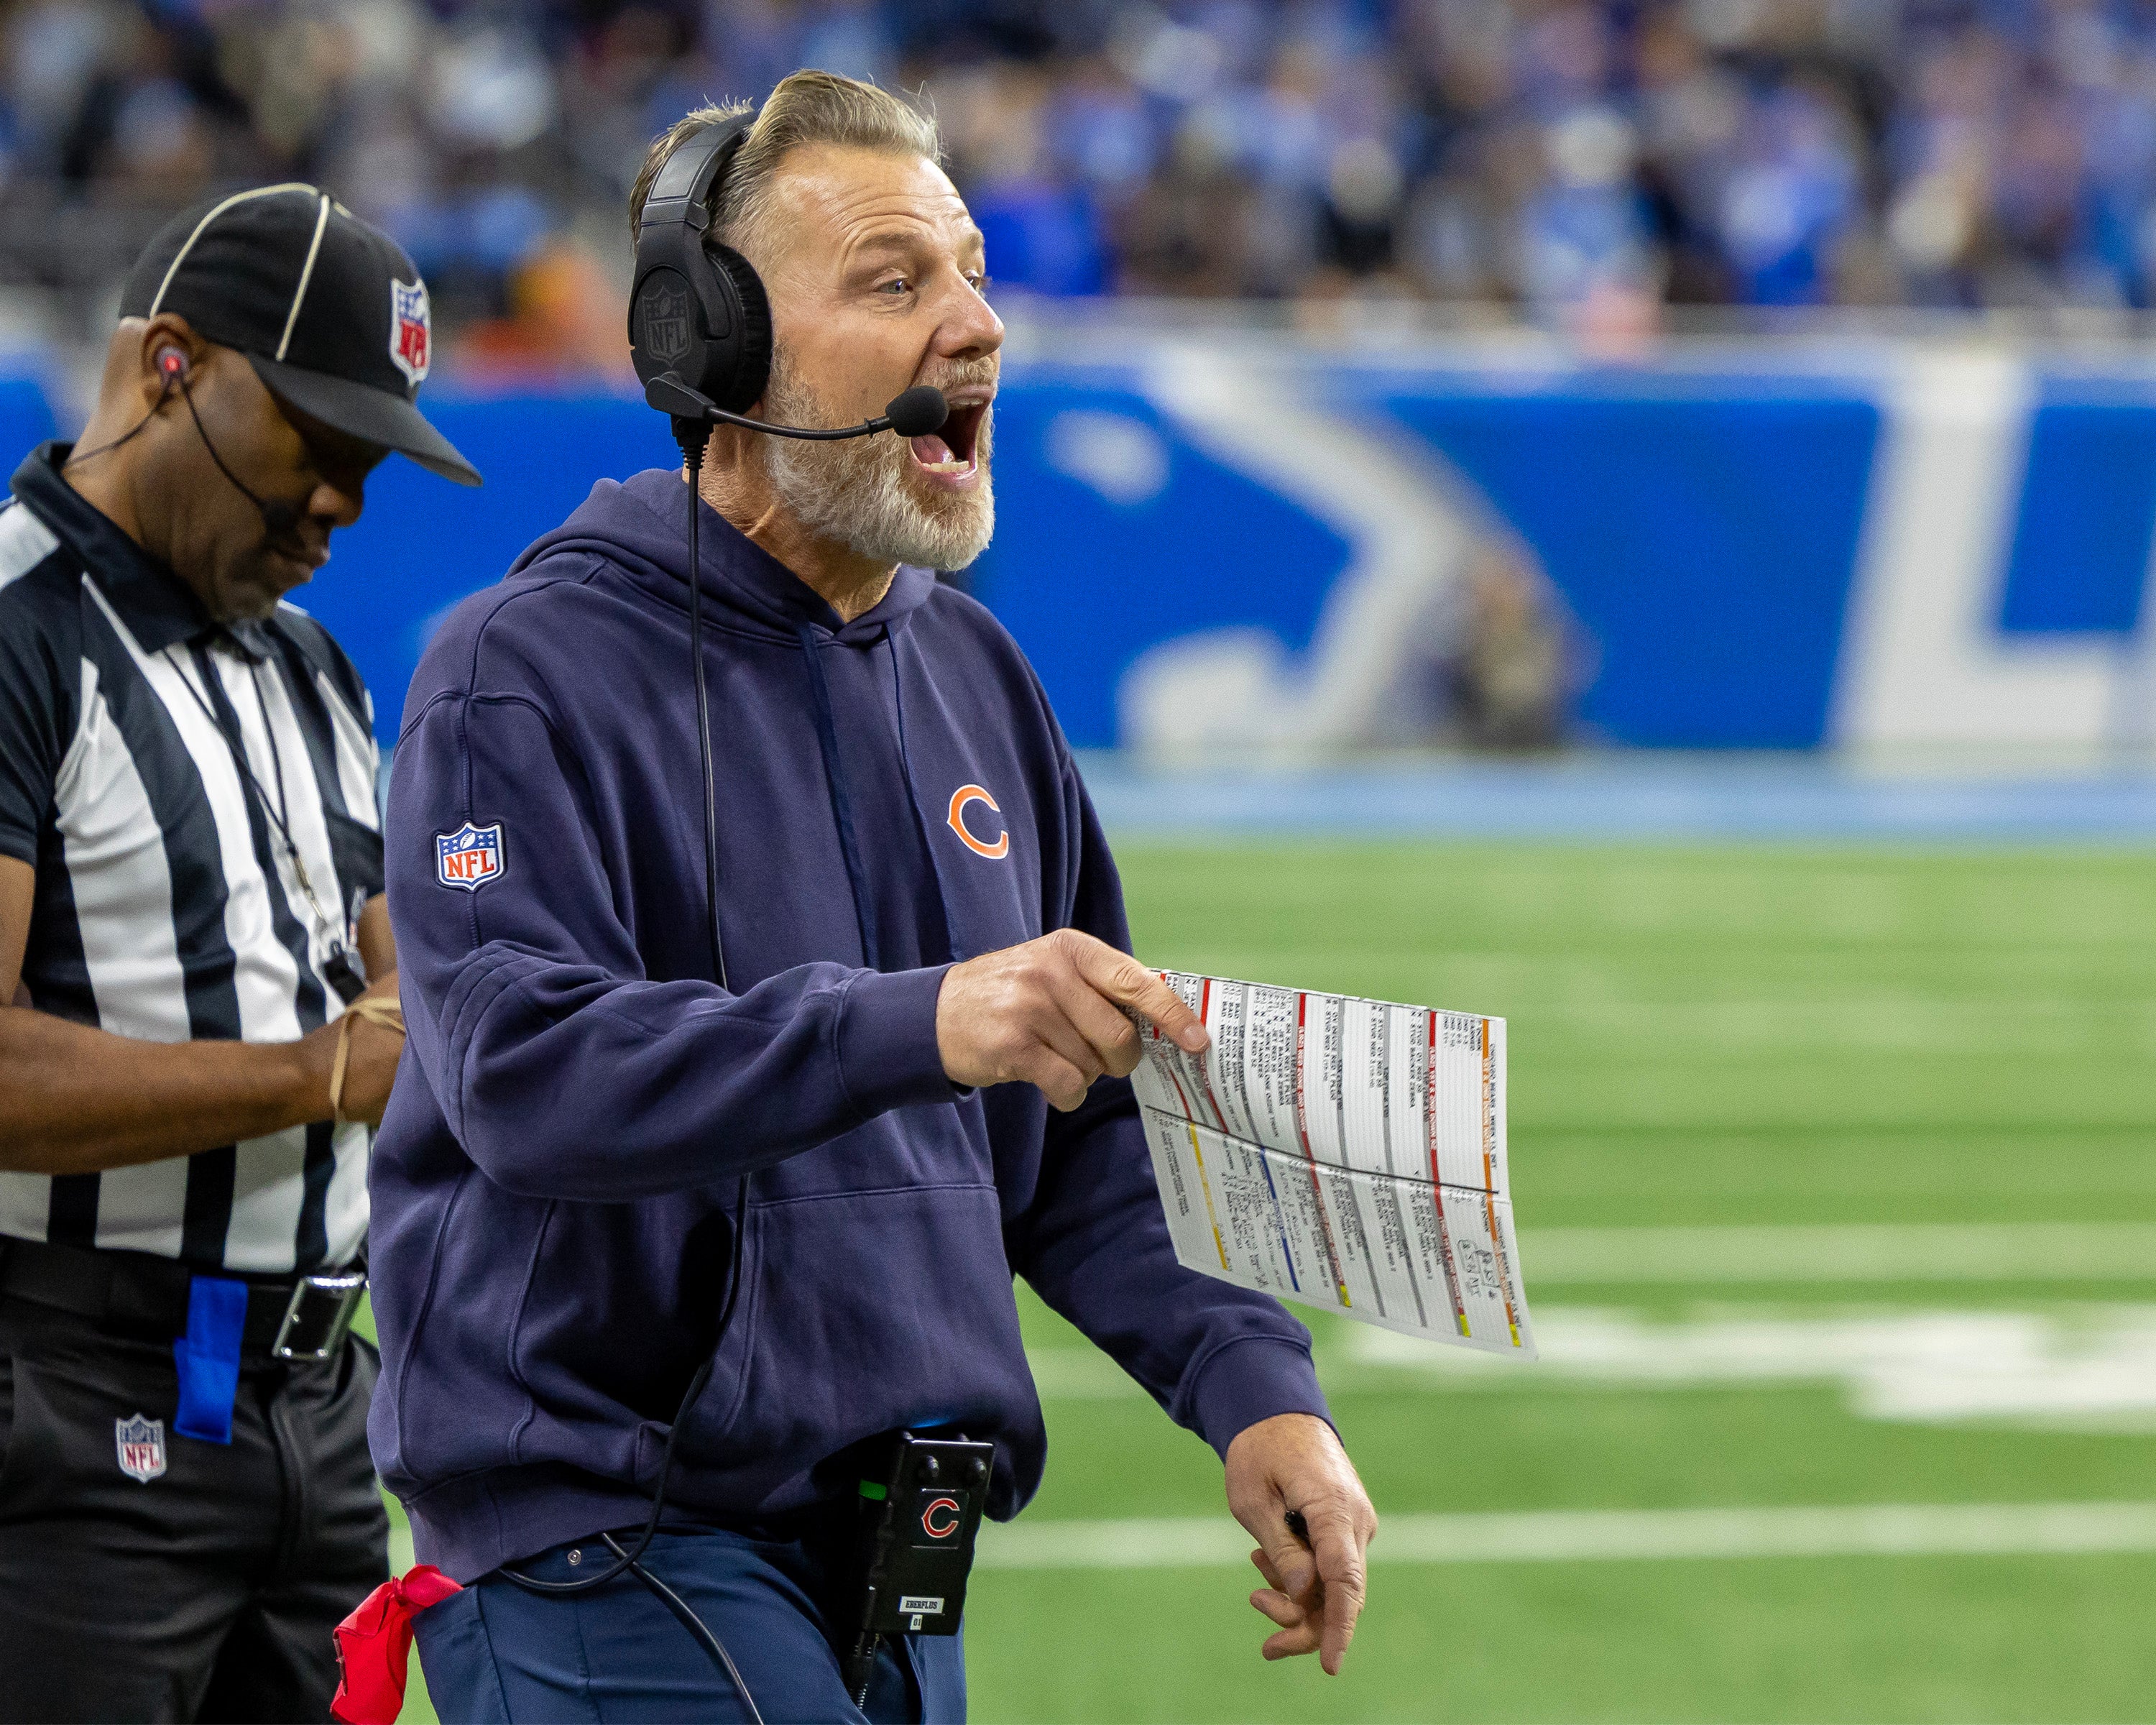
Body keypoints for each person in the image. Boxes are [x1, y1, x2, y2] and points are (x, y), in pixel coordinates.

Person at [372, 71, 1377, 1724]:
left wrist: (1255, 1388)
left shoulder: (977, 672)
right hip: (616, 1547)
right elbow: (525, 1075)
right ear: (713, 348)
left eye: (974, 271)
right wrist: (933, 1016)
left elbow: (1093, 1127)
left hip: (900, 1562)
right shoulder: (519, 675)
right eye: (896, 281)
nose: (975, 325)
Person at [0, 185, 479, 1723]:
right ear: (172, 366)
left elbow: (408, 979)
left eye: (369, 463)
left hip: (319, 1415)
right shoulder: (20, 628)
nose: (340, 501)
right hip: (73, 1405)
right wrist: (320, 1070)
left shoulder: (309, 664)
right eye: (315, 442)